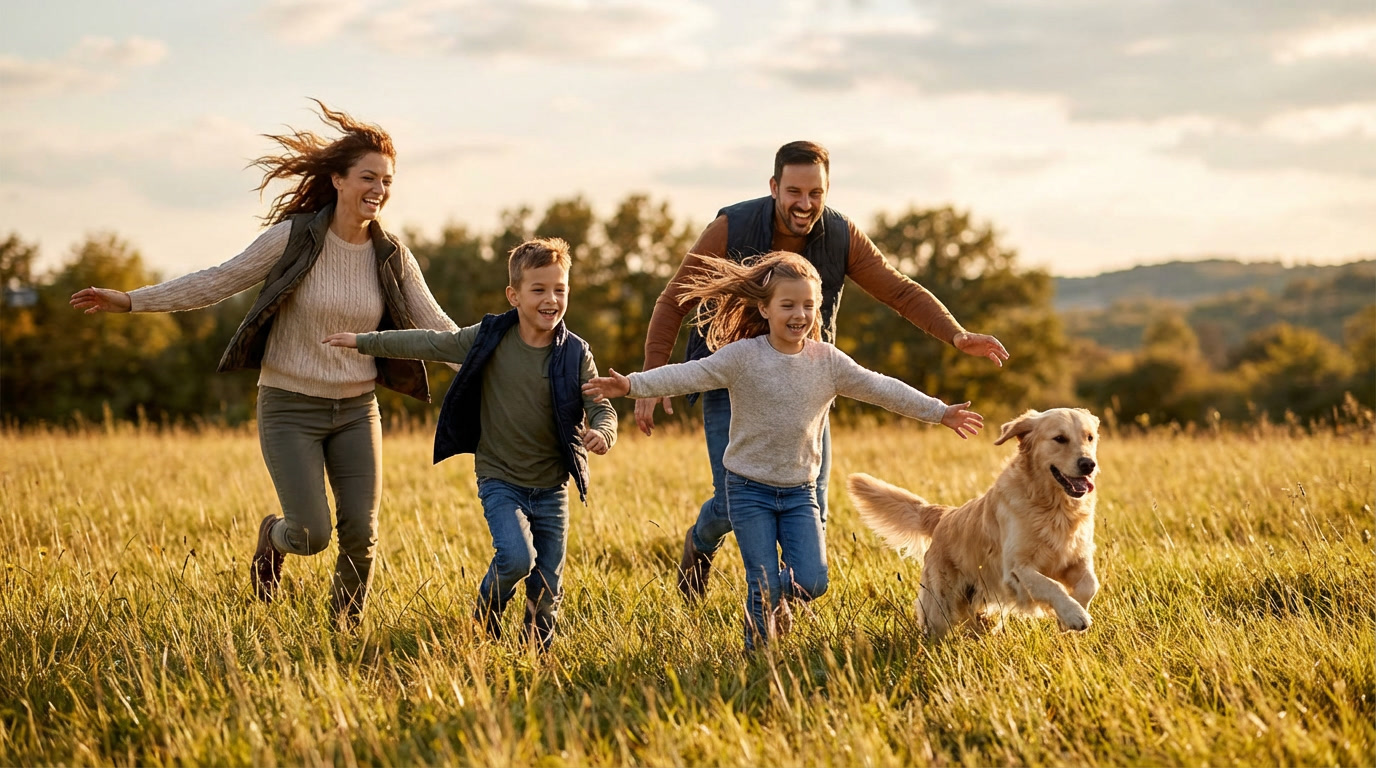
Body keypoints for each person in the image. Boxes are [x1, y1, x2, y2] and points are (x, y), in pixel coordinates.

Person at [69, 101, 459, 627]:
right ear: (339, 179)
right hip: (289, 407)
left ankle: (343, 630)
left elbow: (438, 329)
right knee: (311, 533)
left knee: (361, 534)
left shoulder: (392, 255)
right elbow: (218, 279)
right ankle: (273, 538)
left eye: (387, 180)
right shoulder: (294, 238)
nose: (379, 189)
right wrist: (132, 299)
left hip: (356, 409)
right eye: (369, 176)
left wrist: (505, 364)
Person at [636, 140, 1009, 603]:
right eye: (794, 191)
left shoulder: (840, 234)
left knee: (812, 503)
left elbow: (899, 290)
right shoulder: (732, 226)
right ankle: (701, 540)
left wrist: (957, 335)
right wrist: (653, 371)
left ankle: (787, 604)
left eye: (816, 193)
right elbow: (677, 296)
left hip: (805, 382)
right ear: (774, 187)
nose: (805, 203)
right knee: (734, 503)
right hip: (733, 379)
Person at [585, 251, 982, 649]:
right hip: (747, 489)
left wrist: (940, 412)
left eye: (808, 305)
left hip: (799, 493)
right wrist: (632, 385)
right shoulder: (744, 357)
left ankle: (782, 601)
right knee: (761, 584)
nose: (800, 314)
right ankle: (757, 659)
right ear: (765, 307)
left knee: (812, 581)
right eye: (788, 304)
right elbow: (690, 374)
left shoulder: (827, 362)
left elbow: (881, 387)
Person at [323, 237, 617, 648]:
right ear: (513, 295)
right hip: (500, 480)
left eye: (560, 289)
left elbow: (601, 406)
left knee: (548, 584)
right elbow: (428, 342)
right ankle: (486, 616)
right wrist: (364, 341)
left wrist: (603, 432)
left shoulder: (575, 354)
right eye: (539, 290)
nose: (551, 299)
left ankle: (536, 654)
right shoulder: (490, 338)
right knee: (516, 559)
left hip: (552, 488)